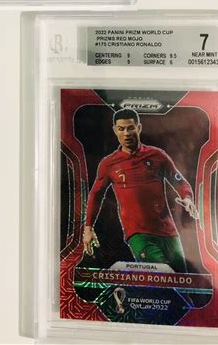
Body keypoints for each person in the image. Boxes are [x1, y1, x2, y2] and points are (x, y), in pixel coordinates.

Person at [83, 108, 199, 272]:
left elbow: (179, 180)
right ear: (115, 130)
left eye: (130, 128)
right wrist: (88, 227)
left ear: (139, 128)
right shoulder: (109, 164)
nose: (126, 133)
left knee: (181, 278)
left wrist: (187, 197)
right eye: (121, 129)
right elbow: (96, 194)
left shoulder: (157, 155)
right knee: (162, 273)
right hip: (138, 234)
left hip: (168, 232)